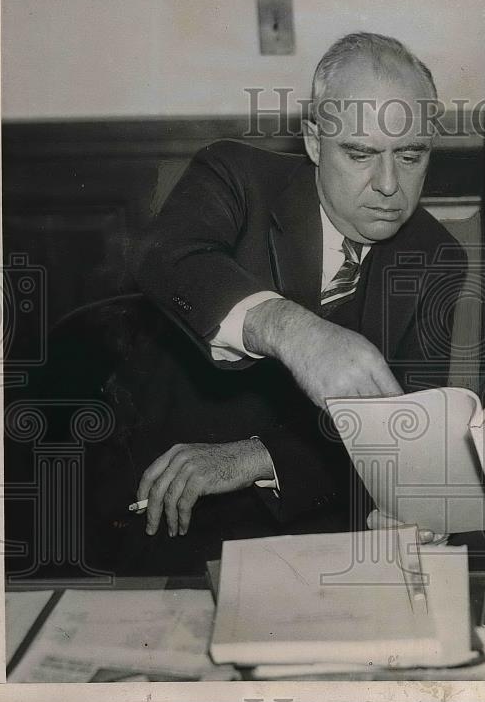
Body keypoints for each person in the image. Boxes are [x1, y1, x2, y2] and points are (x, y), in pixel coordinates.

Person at [130, 32, 464, 549]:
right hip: (164, 500)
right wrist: (292, 330)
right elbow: (169, 259)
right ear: (314, 141)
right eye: (360, 154)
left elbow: (399, 436)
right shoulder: (237, 178)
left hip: (313, 515)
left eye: (411, 155)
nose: (389, 184)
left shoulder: (437, 257)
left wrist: (259, 455)